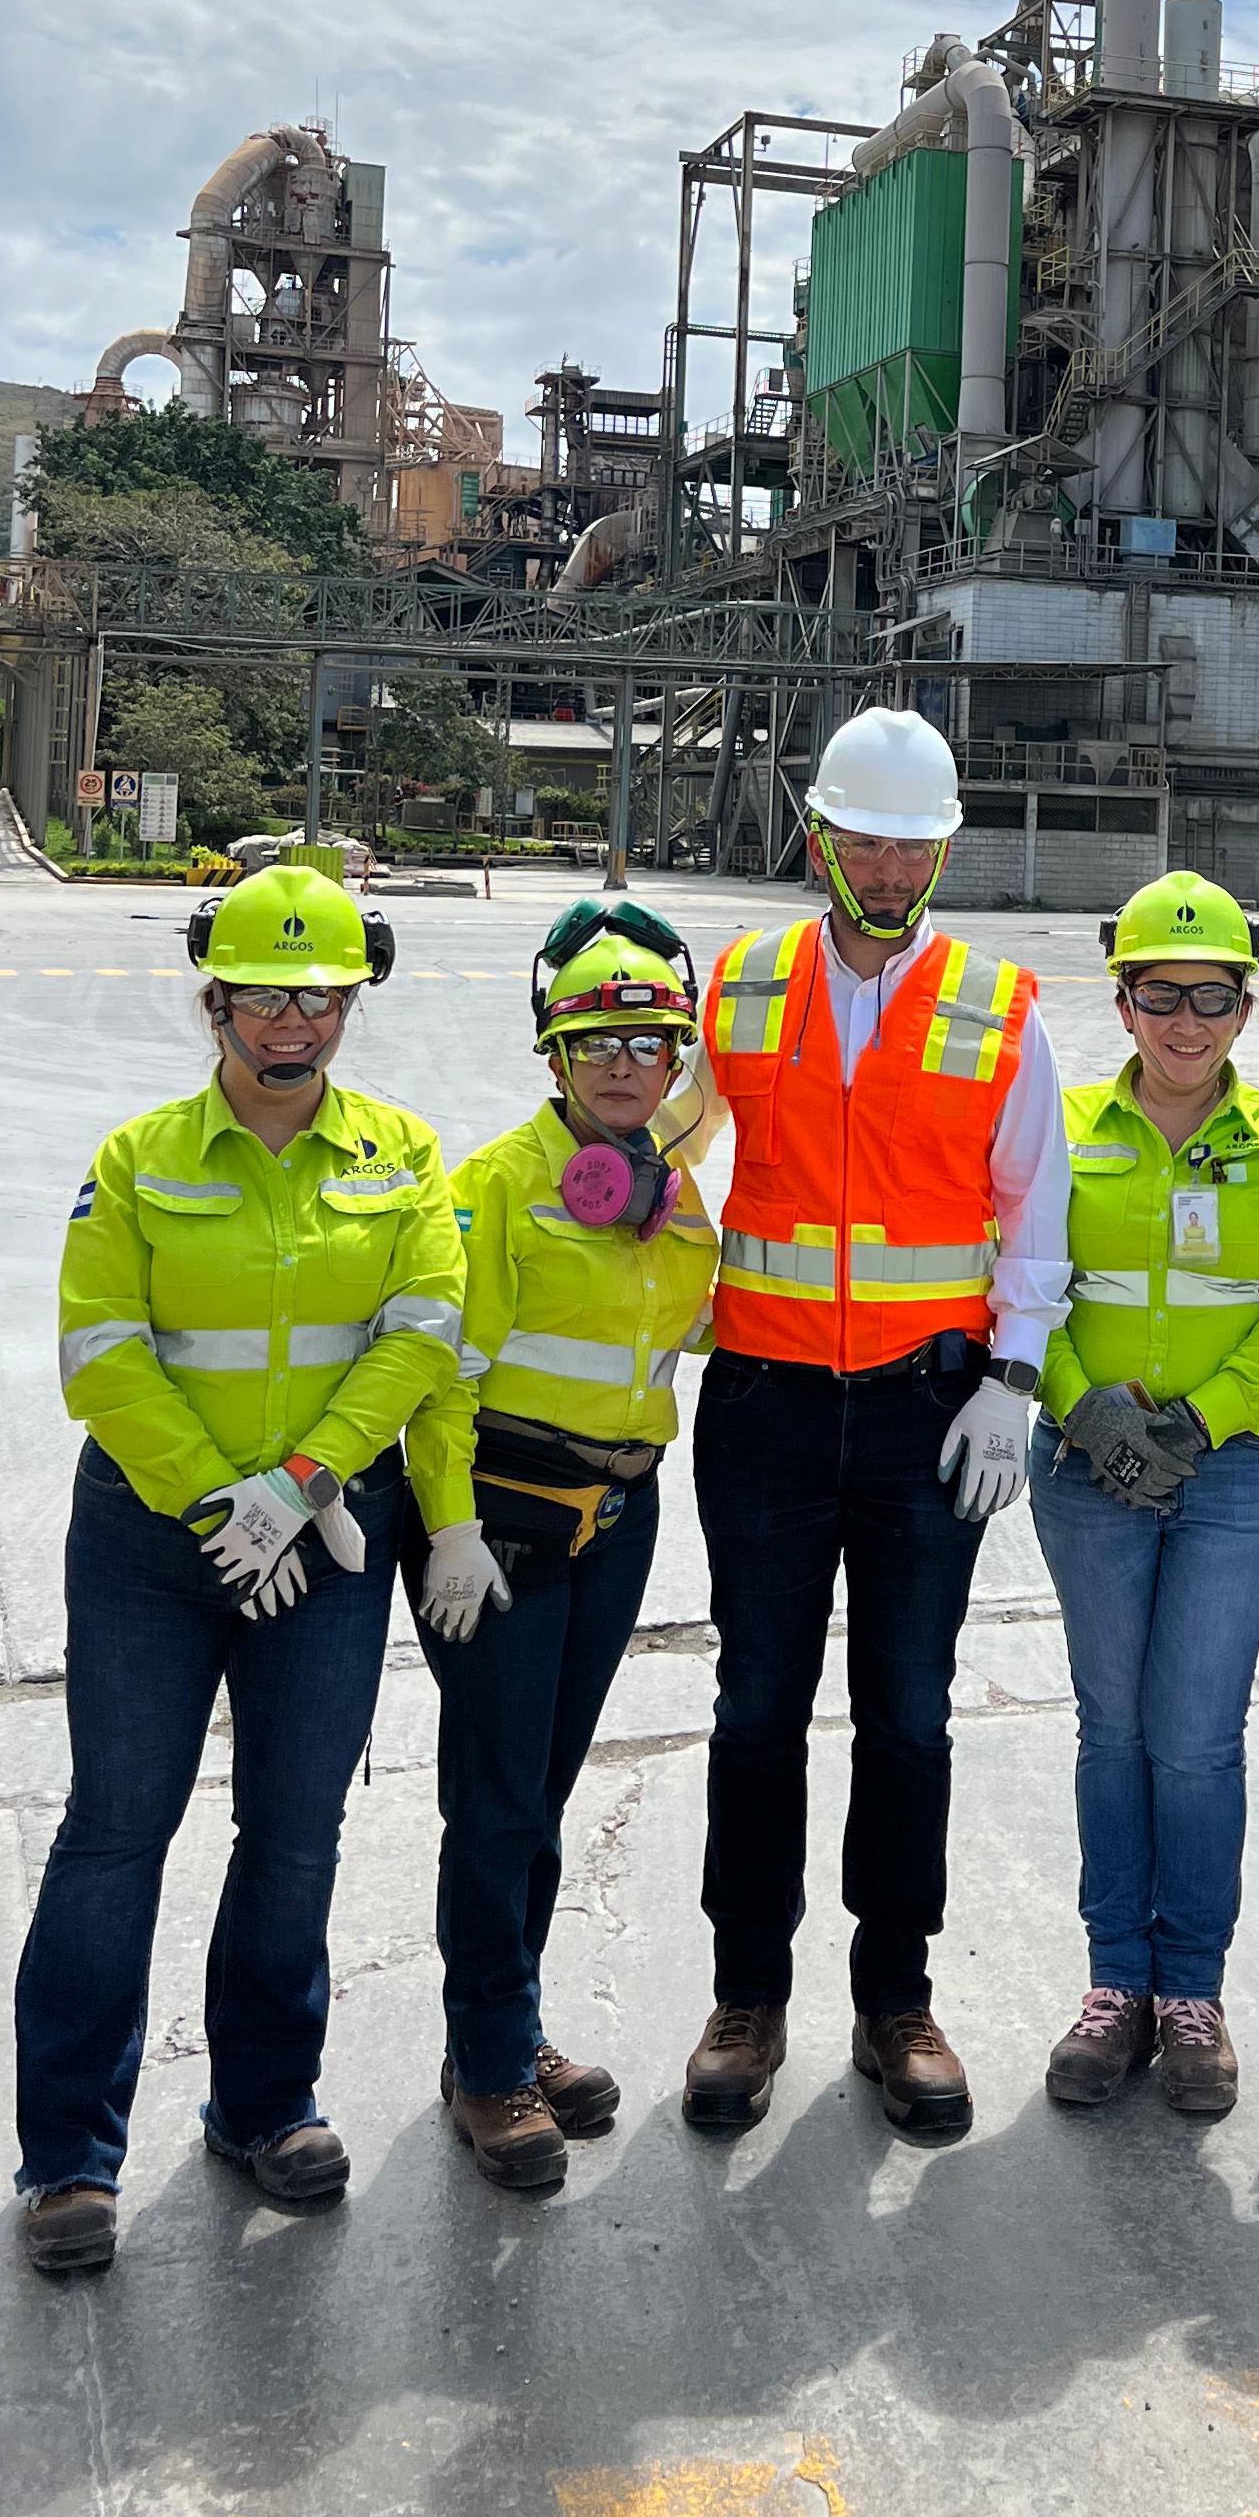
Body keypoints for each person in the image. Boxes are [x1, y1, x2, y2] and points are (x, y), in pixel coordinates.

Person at [8, 864, 464, 2277]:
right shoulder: (140, 1159)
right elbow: (101, 1352)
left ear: (351, 1008)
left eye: (320, 998)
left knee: (295, 1832)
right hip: (153, 1542)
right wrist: (221, 1503)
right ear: (215, 1002)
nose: (292, 1023)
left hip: (324, 1538)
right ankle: (69, 2156)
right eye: (265, 996)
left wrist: (301, 1485)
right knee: (115, 1832)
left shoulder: (402, 1154)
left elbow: (421, 1332)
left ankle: (265, 2106)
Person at [683, 705, 1070, 2141]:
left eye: (915, 848)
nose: (893, 872)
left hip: (926, 1410)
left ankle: (896, 1997)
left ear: (943, 852)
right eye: (868, 844)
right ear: (819, 839)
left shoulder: (996, 1004)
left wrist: (1011, 1384)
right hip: (766, 1405)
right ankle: (746, 1995)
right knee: (756, 1711)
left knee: (909, 1715)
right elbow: (658, 1142)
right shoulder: (739, 985)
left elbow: (1037, 1204)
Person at [415, 904, 720, 2194]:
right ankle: (488, 2066)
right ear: (552, 1054)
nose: (623, 1065)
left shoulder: (675, 1193)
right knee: (495, 1796)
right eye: (595, 1042)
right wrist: (448, 1528)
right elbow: (441, 1375)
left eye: (650, 1043)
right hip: (506, 1522)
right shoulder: (497, 1185)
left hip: (621, 1516)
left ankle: (508, 2026)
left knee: (541, 1787)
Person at [1034, 872, 1259, 2120]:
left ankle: (1193, 1994)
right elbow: (1025, 1287)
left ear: (1245, 1010)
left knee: (1195, 1735)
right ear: (1122, 1003)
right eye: (1160, 995)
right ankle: (1118, 1983)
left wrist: (1195, 1421)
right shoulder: (1061, 1130)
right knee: (1111, 1729)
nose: (1185, 1021)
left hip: (1239, 1475)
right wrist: (1085, 1411)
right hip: (1088, 1472)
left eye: (1211, 997)